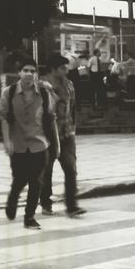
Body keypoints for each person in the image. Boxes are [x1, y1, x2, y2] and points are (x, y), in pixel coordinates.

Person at [0, 57, 56, 230]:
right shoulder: (8, 93)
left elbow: (51, 116)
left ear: (36, 74)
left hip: (39, 143)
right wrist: (7, 141)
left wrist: (56, 144)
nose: (29, 74)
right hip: (18, 144)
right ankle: (13, 198)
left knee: (36, 181)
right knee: (19, 179)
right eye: (26, 70)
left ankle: (29, 216)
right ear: (19, 72)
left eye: (33, 71)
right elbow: (4, 118)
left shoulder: (44, 94)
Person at [41, 56, 86, 218]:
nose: (66, 71)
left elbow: (73, 107)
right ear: (53, 70)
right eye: (62, 68)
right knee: (46, 171)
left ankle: (72, 205)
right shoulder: (43, 86)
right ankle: (46, 202)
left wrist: (73, 127)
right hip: (48, 135)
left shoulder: (69, 85)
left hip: (67, 134)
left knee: (70, 168)